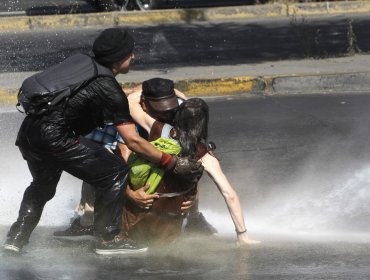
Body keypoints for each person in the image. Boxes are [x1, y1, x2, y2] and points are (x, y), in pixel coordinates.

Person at [3, 28, 203, 255]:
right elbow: (133, 141)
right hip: (56, 137)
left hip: (29, 133)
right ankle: (108, 239)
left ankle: (16, 240)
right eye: (130, 54)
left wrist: (125, 92)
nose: (134, 58)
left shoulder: (83, 63)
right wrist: (171, 162)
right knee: (115, 171)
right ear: (119, 59)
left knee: (41, 188)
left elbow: (84, 91)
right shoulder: (109, 90)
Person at [54, 79, 216, 241]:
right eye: (158, 110)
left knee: (188, 162)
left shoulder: (178, 107)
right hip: (107, 142)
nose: (164, 115)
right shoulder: (126, 114)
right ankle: (85, 222)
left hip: (150, 139)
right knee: (100, 166)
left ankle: (195, 218)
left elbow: (191, 157)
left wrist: (190, 196)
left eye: (168, 109)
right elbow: (123, 157)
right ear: (143, 104)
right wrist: (130, 193)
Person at [118, 88, 260, 248]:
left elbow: (130, 102)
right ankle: (195, 219)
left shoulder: (158, 129)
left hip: (135, 217)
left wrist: (172, 91)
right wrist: (242, 235)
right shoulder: (204, 155)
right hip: (168, 227)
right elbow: (230, 195)